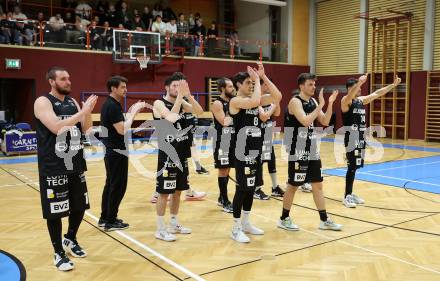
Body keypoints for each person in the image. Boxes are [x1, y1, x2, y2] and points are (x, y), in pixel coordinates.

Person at [34, 67, 97, 271]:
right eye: (63, 79)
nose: (68, 81)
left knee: (79, 206)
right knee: (56, 211)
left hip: (75, 161)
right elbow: (56, 128)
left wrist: (87, 113)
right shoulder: (43, 102)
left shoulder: (72, 102)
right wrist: (82, 111)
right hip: (53, 165)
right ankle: (58, 253)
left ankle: (69, 239)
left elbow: (86, 129)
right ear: (52, 81)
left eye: (69, 78)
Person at [279, 73, 342, 232]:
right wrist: (320, 105)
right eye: (310, 84)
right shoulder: (295, 102)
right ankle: (284, 218)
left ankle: (324, 220)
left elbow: (325, 121)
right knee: (293, 185)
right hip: (297, 149)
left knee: (317, 185)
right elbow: (306, 121)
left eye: (314, 84)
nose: (313, 87)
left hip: (311, 147)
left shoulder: (313, 101)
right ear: (301, 86)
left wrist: (329, 104)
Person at [152, 72, 203, 241]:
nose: (176, 88)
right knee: (164, 193)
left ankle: (173, 223)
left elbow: (200, 112)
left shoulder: (182, 102)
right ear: (166, 87)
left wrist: (188, 96)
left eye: (179, 86)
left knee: (179, 192)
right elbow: (171, 118)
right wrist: (181, 97)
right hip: (167, 155)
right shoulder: (159, 103)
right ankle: (160, 228)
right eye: (174, 86)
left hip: (182, 154)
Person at [341, 74, 401, 207]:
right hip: (351, 139)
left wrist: (393, 85)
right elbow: (349, 96)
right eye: (357, 87)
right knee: (351, 168)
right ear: (350, 88)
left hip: (361, 138)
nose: (360, 89)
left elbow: (377, 93)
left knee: (355, 167)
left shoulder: (360, 101)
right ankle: (346, 196)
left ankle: (350, 193)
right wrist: (359, 83)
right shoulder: (345, 101)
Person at [98, 76, 145, 231]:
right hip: (116, 152)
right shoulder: (112, 106)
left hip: (113, 151)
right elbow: (122, 129)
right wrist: (133, 113)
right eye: (123, 87)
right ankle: (110, 220)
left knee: (110, 184)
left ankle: (105, 217)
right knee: (117, 186)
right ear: (113, 88)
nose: (126, 90)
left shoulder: (111, 104)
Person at [229, 67, 264, 243]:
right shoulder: (236, 101)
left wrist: (262, 76)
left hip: (255, 150)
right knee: (242, 188)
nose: (251, 85)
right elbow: (255, 101)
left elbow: (278, 96)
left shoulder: (253, 100)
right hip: (242, 152)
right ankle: (235, 229)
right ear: (238, 84)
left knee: (251, 188)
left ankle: (246, 223)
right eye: (248, 82)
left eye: (252, 82)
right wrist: (257, 80)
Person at [253, 63, 284, 200]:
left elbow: (277, 112)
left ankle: (275, 186)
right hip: (255, 137)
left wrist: (275, 104)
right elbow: (265, 117)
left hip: (267, 137)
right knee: (258, 163)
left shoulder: (269, 100)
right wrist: (273, 106)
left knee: (271, 160)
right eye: (266, 84)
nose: (268, 87)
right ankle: (256, 188)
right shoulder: (256, 100)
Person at [211, 77, 236, 213]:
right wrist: (235, 114)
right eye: (230, 86)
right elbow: (224, 122)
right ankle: (225, 200)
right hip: (222, 141)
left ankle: (222, 197)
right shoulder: (217, 103)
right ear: (222, 88)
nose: (233, 89)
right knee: (223, 169)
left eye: (233, 86)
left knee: (228, 169)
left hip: (232, 140)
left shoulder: (232, 101)